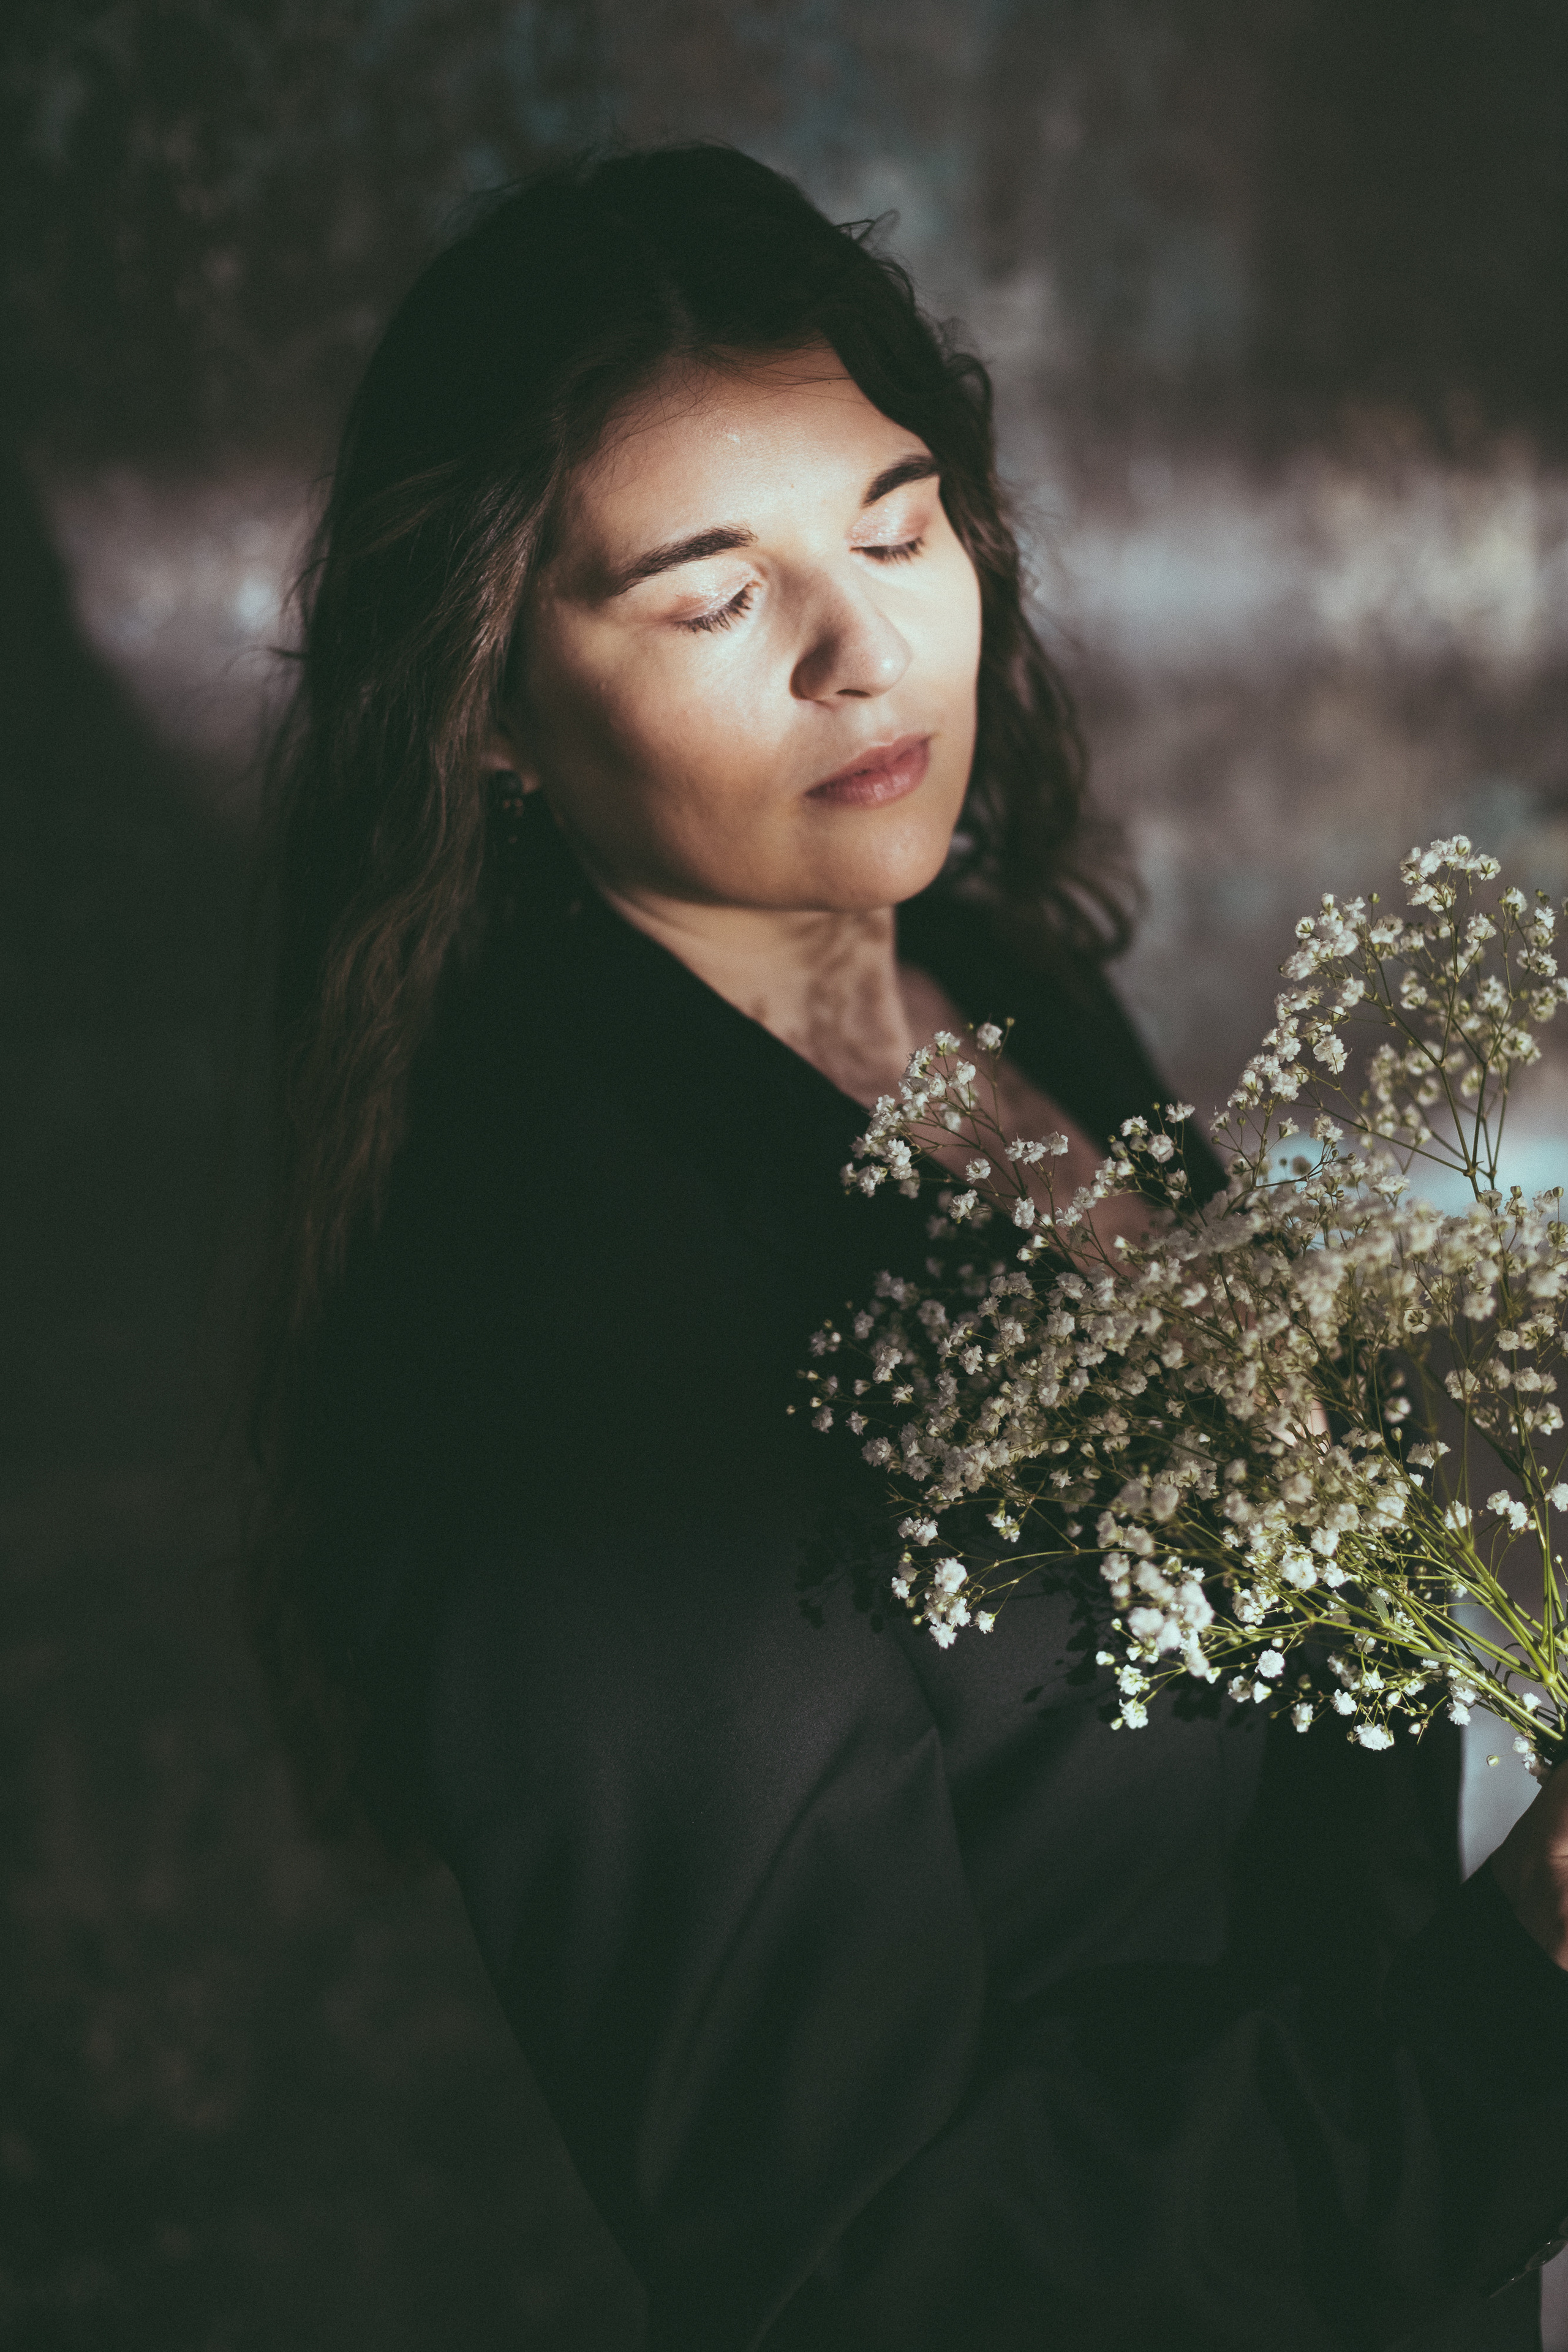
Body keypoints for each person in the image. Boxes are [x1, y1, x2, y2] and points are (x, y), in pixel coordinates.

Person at [248, 144, 1568, 2351]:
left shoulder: (981, 974)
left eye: (896, 523)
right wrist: (1513, 2015)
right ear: (484, 709)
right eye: (708, 595)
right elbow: (860, 2276)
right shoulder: (572, 1349)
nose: (870, 653)